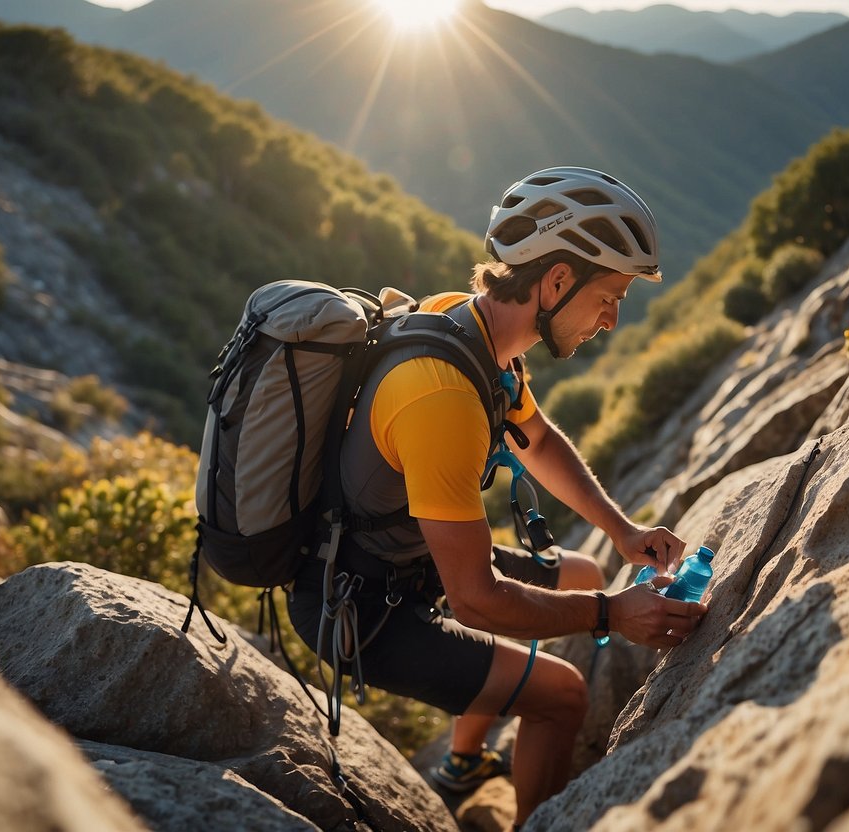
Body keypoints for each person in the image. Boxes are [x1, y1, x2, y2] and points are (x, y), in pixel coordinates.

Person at [287, 166, 708, 828]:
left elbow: (535, 440)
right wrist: (612, 616)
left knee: (582, 570)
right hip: (359, 606)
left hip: (404, 559)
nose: (611, 319)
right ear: (557, 281)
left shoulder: (474, 331)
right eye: (609, 295)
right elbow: (476, 599)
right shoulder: (443, 394)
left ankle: (461, 761)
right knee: (561, 697)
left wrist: (623, 531)